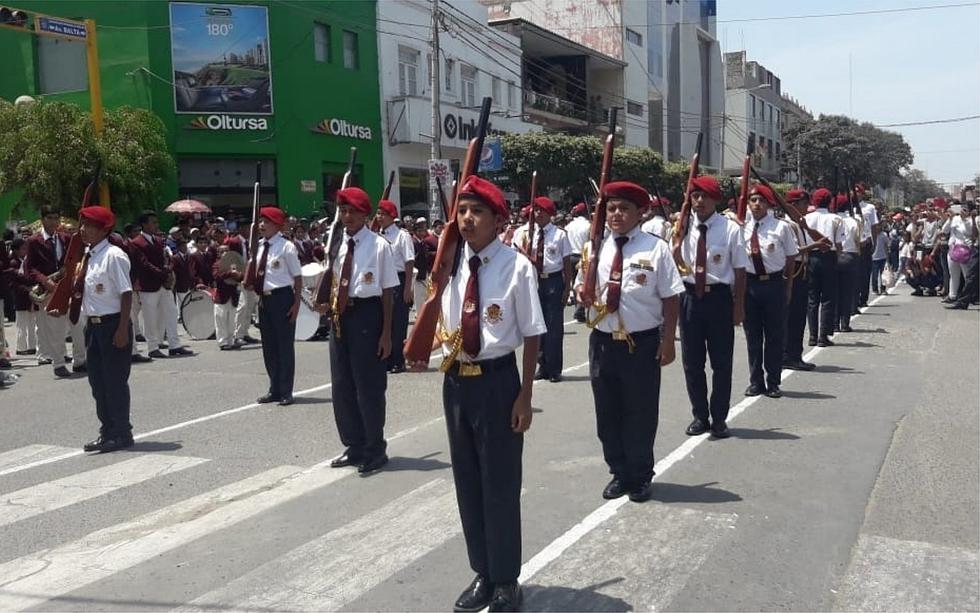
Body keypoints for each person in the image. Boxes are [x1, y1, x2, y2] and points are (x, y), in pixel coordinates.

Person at [409, 175, 544, 613]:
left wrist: (524, 395)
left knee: (500, 484)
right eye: (462, 211)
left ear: (498, 220)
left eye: (477, 212)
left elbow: (532, 334)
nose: (467, 219)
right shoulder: (447, 263)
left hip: (497, 381)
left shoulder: (516, 266)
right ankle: (482, 572)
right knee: (467, 482)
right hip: (456, 381)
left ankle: (506, 579)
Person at [576, 181, 683, 502]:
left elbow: (671, 297)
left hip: (642, 342)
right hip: (604, 341)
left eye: (624, 208)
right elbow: (583, 287)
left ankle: (639, 475)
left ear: (640, 213)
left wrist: (668, 341)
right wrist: (582, 293)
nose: (617, 214)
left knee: (640, 411)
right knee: (607, 411)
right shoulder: (594, 248)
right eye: (611, 208)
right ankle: (618, 472)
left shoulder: (655, 248)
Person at [325, 187, 398, 475]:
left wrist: (386, 333)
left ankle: (374, 448)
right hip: (339, 317)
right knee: (342, 385)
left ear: (365, 214)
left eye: (352, 211)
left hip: (368, 316)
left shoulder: (379, 245)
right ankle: (353, 445)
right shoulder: (337, 243)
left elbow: (388, 292)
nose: (347, 216)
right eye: (343, 211)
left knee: (368, 387)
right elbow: (330, 277)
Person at [678, 176, 747, 439]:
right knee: (691, 362)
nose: (699, 201)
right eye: (695, 196)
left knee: (721, 362)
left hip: (718, 298)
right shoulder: (681, 226)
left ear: (715, 200)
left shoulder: (730, 229)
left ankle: (719, 418)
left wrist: (738, 306)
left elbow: (740, 271)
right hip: (689, 298)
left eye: (705, 196)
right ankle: (699, 415)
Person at [76, 206, 135, 453]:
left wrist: (122, 329)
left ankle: (122, 432)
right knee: (97, 383)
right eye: (83, 225)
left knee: (114, 382)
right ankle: (107, 430)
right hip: (94, 326)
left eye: (89, 226)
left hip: (113, 324)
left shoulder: (114, 255)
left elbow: (126, 293)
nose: (83, 230)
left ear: (104, 229)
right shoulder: (88, 256)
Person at [741, 184, 798, 398]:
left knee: (774, 335)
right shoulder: (741, 227)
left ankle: (773, 381)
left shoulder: (781, 227)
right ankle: (756, 381)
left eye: (761, 200)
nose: (756, 204)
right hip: (750, 285)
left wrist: (788, 284)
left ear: (768, 204)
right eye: (753, 200)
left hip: (773, 284)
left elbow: (791, 256)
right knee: (753, 336)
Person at [512, 196, 573, 382]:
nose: (537, 214)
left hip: (553, 281)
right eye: (535, 210)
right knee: (537, 325)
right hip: (534, 280)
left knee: (554, 327)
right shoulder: (528, 233)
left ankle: (554, 368)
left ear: (550, 214)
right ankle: (542, 365)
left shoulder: (560, 234)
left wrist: (566, 288)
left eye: (541, 211)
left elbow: (566, 263)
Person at [24, 205, 84, 377]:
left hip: (68, 288)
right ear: (42, 219)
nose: (53, 221)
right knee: (55, 329)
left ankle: (80, 361)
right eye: (49, 218)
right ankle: (58, 364)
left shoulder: (66, 238)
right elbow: (30, 268)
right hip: (49, 290)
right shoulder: (34, 241)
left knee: (77, 324)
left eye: (56, 218)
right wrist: (45, 280)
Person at [253, 207, 304, 406]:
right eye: (261, 222)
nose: (262, 225)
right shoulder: (258, 246)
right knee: (269, 346)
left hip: (282, 297)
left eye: (266, 222)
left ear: (276, 225)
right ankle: (274, 387)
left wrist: (296, 303)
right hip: (264, 299)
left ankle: (285, 390)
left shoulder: (286, 247)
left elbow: (298, 277)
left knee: (284, 346)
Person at [129, 211, 192, 358]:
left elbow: (167, 258)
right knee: (150, 317)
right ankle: (153, 347)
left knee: (170, 313)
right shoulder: (136, 243)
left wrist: (169, 269)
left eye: (156, 222)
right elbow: (144, 264)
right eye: (153, 222)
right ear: (144, 224)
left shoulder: (158, 240)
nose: (156, 225)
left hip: (164, 284)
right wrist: (163, 273)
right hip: (148, 284)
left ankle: (174, 344)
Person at [375, 199, 415, 374]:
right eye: (378, 214)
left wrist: (407, 288)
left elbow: (409, 261)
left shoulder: (402, 235)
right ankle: (386, 358)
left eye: (383, 214)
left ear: (392, 216)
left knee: (398, 323)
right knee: (384, 321)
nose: (379, 217)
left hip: (399, 280)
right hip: (381, 281)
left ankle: (398, 360)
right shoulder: (376, 236)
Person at [804, 188, 845, 347]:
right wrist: (838, 257)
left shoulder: (806, 218)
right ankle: (823, 336)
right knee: (828, 298)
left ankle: (813, 336)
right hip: (829, 257)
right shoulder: (835, 219)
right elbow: (839, 244)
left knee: (812, 298)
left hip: (812, 256)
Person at [782, 189, 817, 371]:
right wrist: (816, 246)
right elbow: (794, 252)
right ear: (793, 206)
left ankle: (794, 354)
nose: (806, 208)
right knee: (793, 317)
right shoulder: (788, 225)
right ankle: (789, 355)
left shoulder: (798, 224)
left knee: (798, 317)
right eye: (803, 204)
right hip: (793, 272)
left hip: (801, 271)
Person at [836, 195, 861, 333]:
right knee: (847, 292)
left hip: (835, 256)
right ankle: (845, 323)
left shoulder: (833, 219)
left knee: (835, 291)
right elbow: (857, 241)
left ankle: (834, 323)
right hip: (850, 255)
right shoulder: (853, 222)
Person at [213, 243, 244, 350]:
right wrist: (230, 273)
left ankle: (231, 341)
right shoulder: (217, 265)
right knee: (221, 320)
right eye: (222, 251)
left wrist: (238, 275)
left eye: (227, 250)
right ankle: (222, 342)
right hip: (221, 297)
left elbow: (241, 276)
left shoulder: (234, 264)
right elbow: (217, 277)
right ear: (218, 254)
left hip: (233, 296)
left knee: (232, 321)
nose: (225, 253)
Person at [856, 185, 879, 307]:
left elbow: (874, 226)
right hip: (853, 243)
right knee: (854, 272)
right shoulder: (848, 207)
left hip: (866, 242)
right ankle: (854, 298)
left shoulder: (869, 207)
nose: (856, 194)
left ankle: (863, 298)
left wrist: (874, 242)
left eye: (858, 192)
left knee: (865, 272)